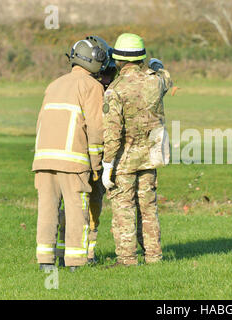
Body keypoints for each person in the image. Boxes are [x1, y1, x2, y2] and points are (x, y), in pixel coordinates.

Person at [33, 37, 106, 271]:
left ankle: (46, 261)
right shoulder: (92, 87)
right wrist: (96, 165)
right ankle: (75, 262)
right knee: (76, 211)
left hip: (43, 159)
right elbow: (96, 129)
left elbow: (41, 122)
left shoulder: (54, 84)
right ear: (94, 60)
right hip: (73, 162)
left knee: (47, 209)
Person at [102, 33, 172, 267]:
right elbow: (166, 77)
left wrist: (107, 164)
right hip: (151, 157)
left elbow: (112, 132)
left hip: (124, 161)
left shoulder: (115, 90)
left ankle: (127, 259)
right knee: (148, 208)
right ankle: (154, 256)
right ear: (141, 56)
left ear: (118, 59)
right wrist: (156, 65)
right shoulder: (156, 81)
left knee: (124, 209)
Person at [56, 36, 116, 266]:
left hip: (82, 157)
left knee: (89, 209)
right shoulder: (89, 87)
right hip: (84, 158)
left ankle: (83, 253)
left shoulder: (79, 84)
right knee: (79, 208)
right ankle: (76, 255)